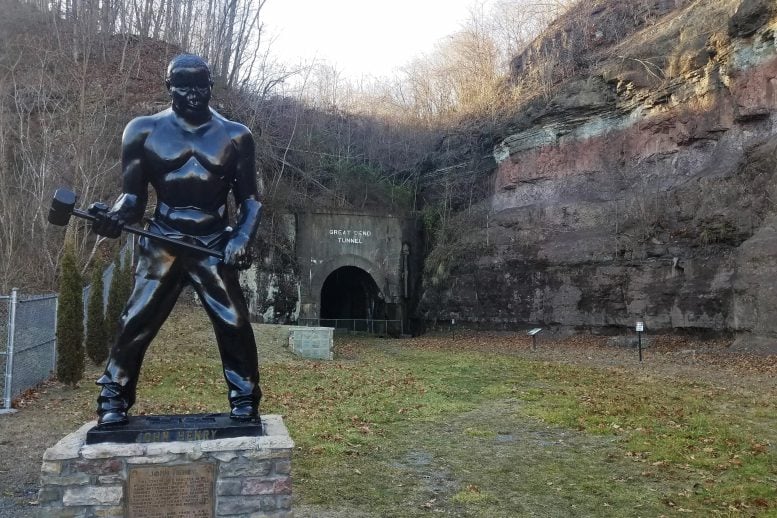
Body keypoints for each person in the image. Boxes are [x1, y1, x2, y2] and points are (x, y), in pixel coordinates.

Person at [91, 54, 262, 427]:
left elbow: (250, 200)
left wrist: (243, 238)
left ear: (211, 86)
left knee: (233, 322)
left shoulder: (235, 135)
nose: (193, 95)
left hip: (212, 242)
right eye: (184, 87)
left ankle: (245, 398)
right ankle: (113, 396)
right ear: (169, 87)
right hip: (164, 238)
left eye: (201, 86)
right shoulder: (143, 131)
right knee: (135, 319)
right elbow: (133, 199)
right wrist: (115, 217)